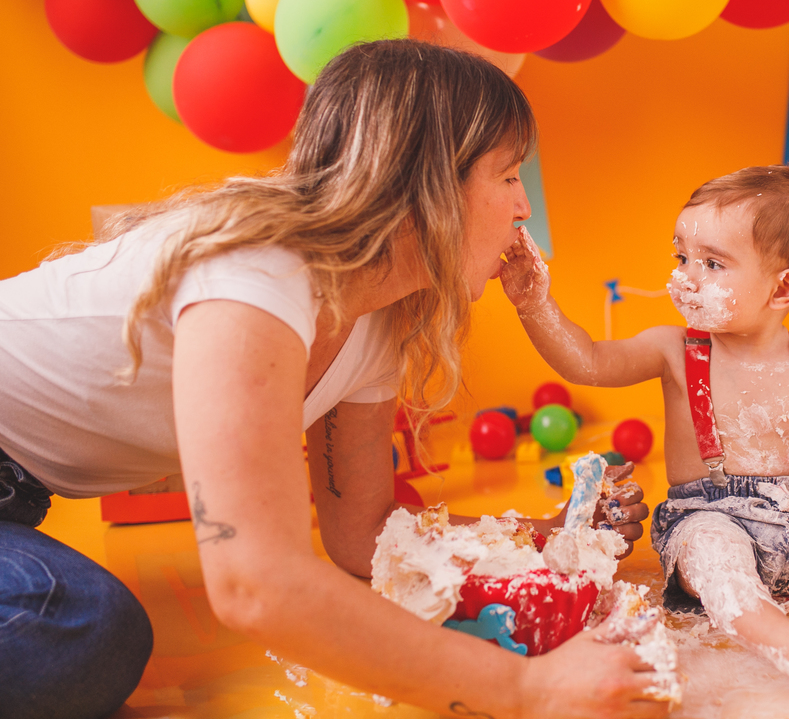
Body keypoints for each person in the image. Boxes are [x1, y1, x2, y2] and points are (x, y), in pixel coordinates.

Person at [0, 40, 658, 719]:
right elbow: (256, 586)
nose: (522, 209)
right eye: (508, 176)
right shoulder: (259, 272)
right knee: (77, 633)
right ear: (426, 181)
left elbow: (361, 534)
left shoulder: (377, 317)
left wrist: (540, 531)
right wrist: (528, 691)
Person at [499, 163, 789, 707]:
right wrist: (535, 305)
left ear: (784, 287)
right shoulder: (675, 349)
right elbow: (590, 362)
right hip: (710, 517)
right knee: (716, 556)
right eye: (681, 257)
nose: (686, 277)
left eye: (713, 263)